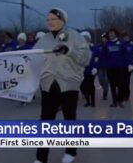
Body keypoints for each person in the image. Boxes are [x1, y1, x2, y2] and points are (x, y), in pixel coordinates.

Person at [33, 8, 91, 163]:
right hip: (48, 85)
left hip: (68, 84)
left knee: (69, 119)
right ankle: (41, 157)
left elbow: (85, 58)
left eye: (54, 19)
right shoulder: (43, 39)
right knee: (45, 122)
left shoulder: (75, 36)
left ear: (62, 21)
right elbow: (33, 60)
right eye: (48, 19)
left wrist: (69, 50)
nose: (50, 22)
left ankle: (70, 152)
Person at [102, 28, 132, 108]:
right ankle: (114, 101)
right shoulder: (107, 44)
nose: (110, 35)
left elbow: (127, 54)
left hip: (120, 68)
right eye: (109, 33)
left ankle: (120, 101)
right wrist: (105, 63)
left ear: (115, 34)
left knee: (120, 85)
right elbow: (103, 55)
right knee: (112, 85)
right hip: (110, 68)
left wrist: (129, 64)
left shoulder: (122, 43)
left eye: (112, 33)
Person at [80, 31, 98, 107]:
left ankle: (92, 102)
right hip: (83, 70)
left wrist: (95, 67)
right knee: (83, 86)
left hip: (91, 70)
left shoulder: (93, 48)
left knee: (90, 85)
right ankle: (87, 100)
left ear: (89, 38)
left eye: (86, 38)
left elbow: (97, 58)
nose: (84, 39)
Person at [121, 32, 133, 101]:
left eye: (127, 37)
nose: (126, 38)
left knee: (127, 80)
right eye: (125, 37)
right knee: (122, 81)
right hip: (121, 65)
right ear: (122, 38)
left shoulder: (131, 45)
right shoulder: (120, 45)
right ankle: (123, 93)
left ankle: (127, 94)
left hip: (129, 66)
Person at [95, 33, 109, 100]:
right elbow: (95, 54)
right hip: (100, 65)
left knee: (106, 79)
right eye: (102, 38)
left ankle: (105, 92)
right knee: (100, 79)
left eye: (105, 38)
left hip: (108, 66)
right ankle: (105, 88)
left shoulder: (109, 45)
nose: (103, 39)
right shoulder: (98, 46)